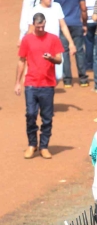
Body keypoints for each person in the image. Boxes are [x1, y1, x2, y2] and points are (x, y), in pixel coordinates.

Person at [16, 12, 63, 159]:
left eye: (42, 26)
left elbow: (59, 60)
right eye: (38, 27)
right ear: (33, 25)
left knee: (47, 117)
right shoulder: (27, 39)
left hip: (47, 84)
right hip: (31, 83)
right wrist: (18, 82)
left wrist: (51, 59)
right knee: (30, 114)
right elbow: (21, 60)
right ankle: (32, 144)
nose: (41, 29)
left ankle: (44, 146)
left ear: (45, 24)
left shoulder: (53, 39)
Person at [53, 0, 88, 87]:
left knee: (64, 52)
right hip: (76, 24)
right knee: (79, 51)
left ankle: (67, 80)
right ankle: (83, 79)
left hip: (62, 25)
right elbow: (83, 9)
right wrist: (84, 24)